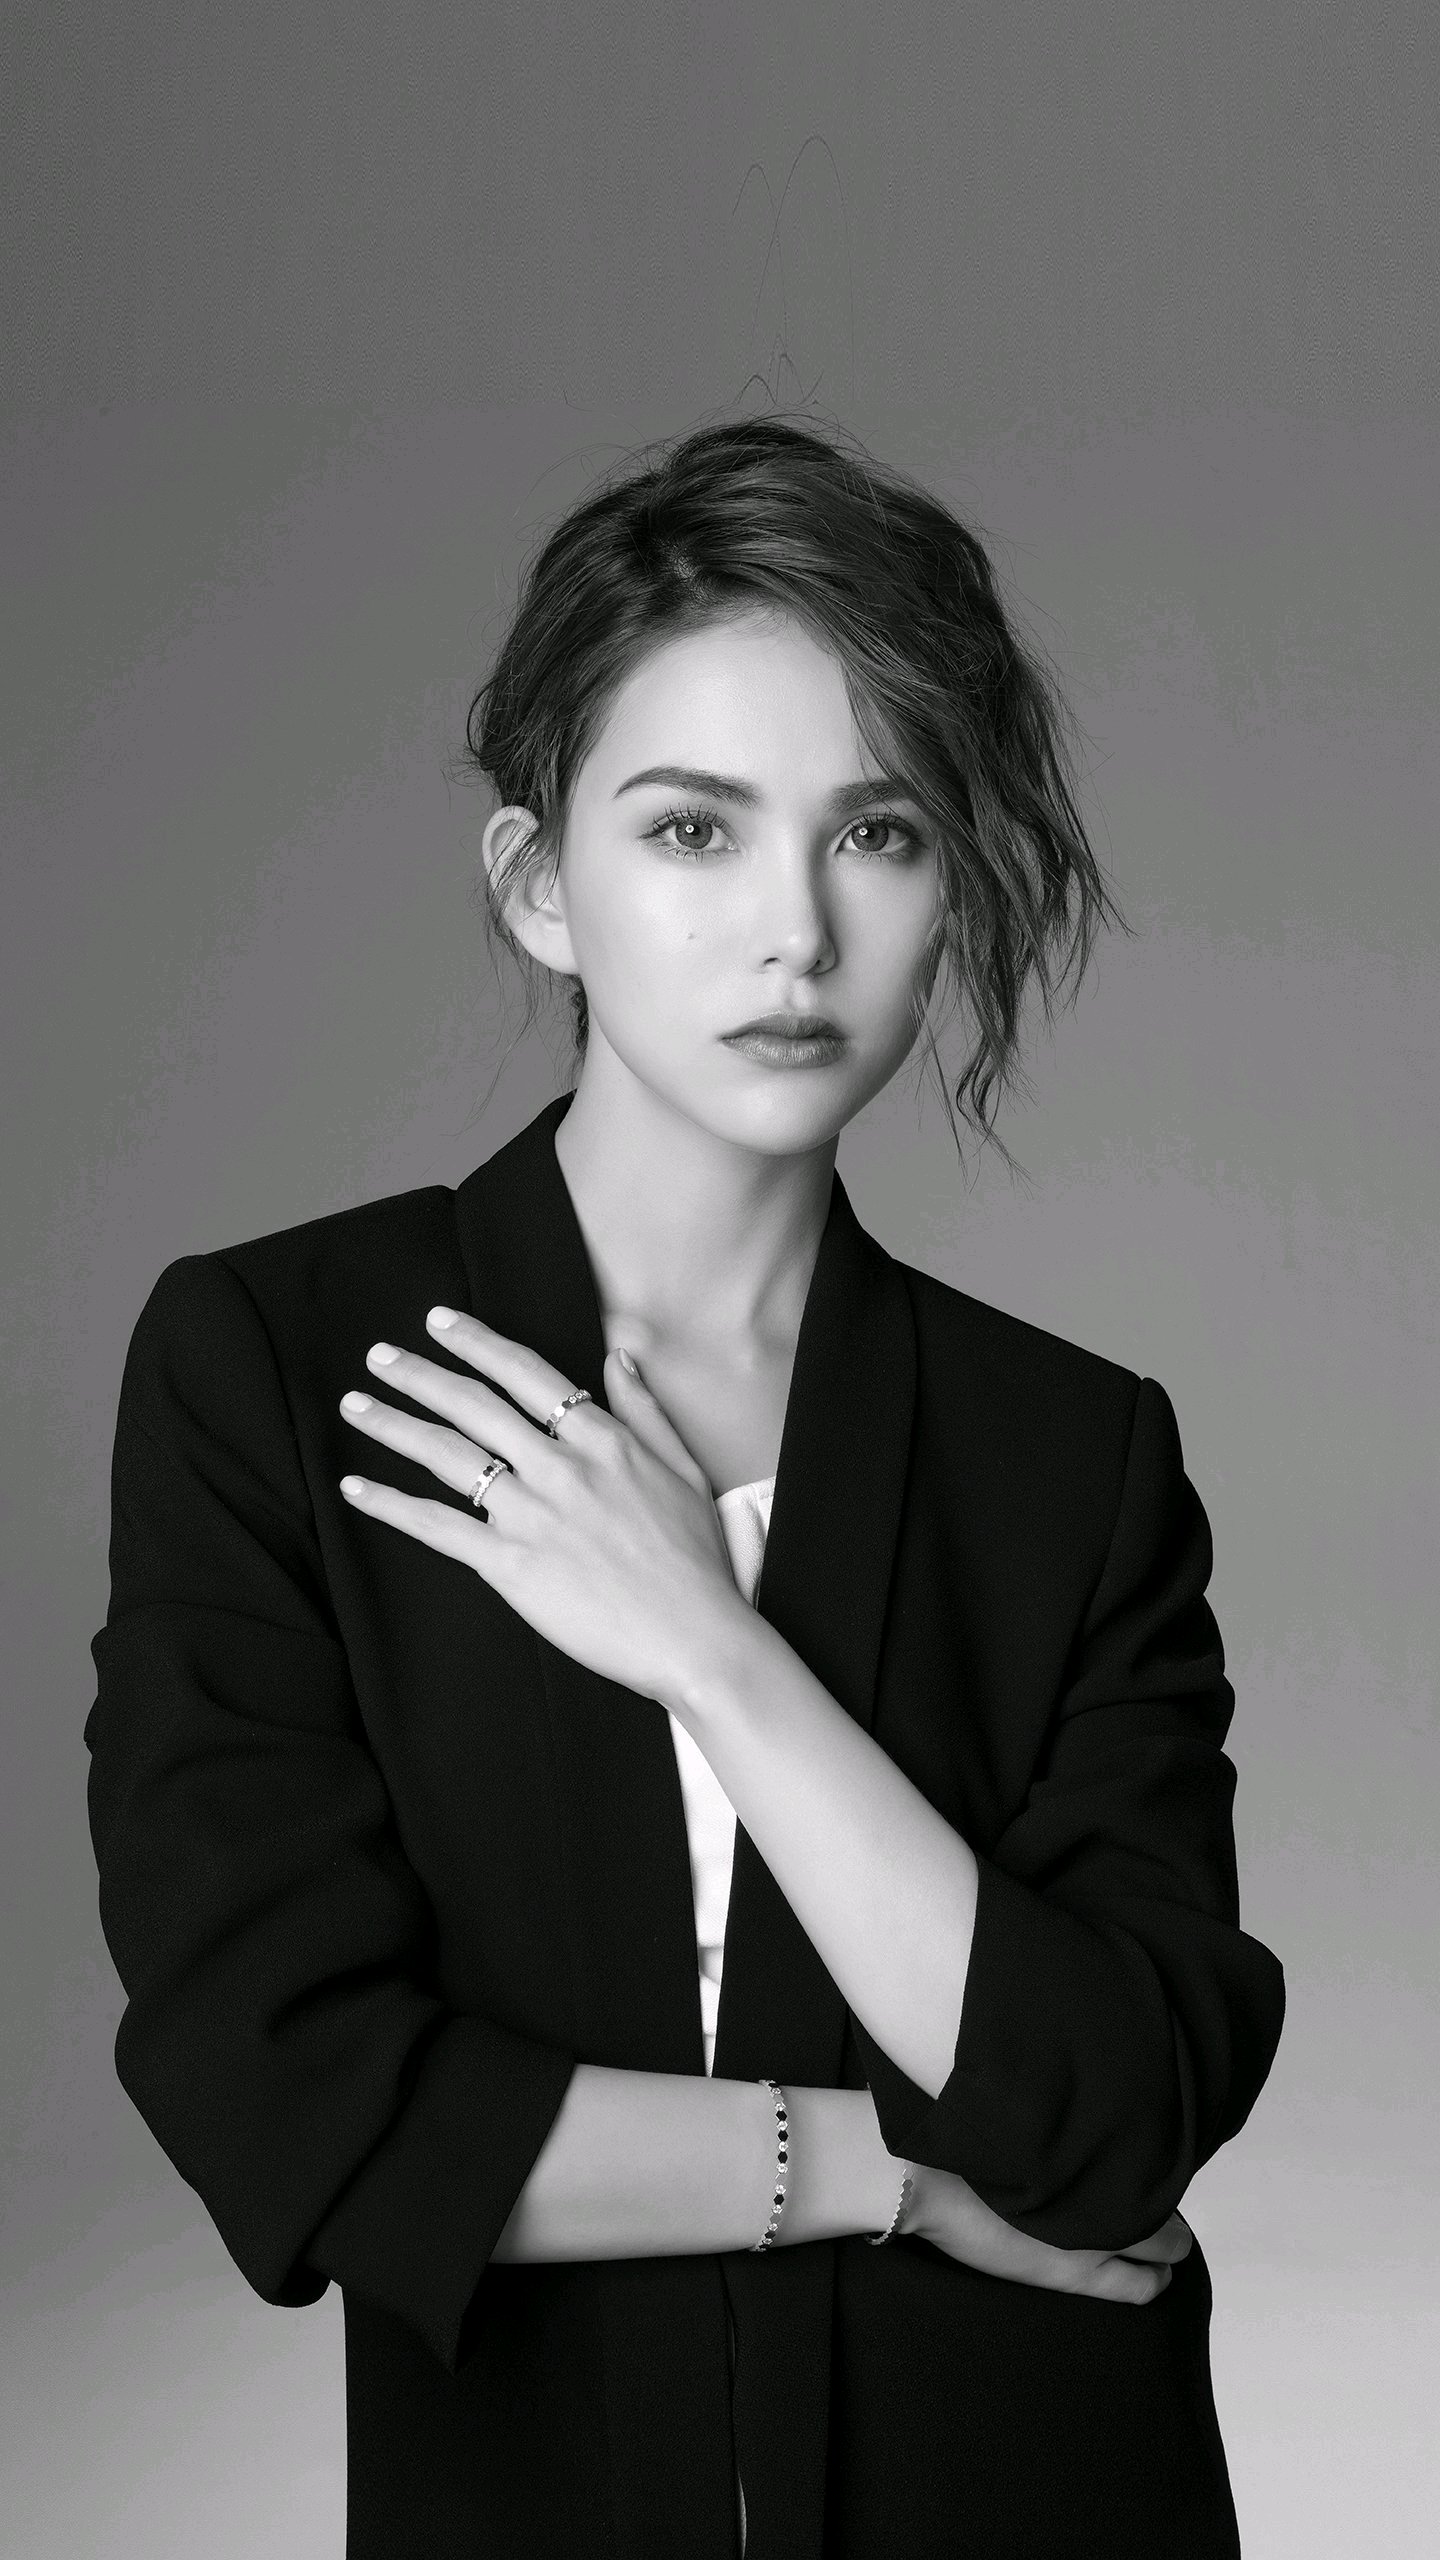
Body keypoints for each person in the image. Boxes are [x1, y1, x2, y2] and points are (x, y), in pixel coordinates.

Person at [85, 412, 1286, 2559]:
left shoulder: (1075, 1453)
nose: (794, 932)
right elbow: (292, 2103)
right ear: (540, 885)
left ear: (950, 884)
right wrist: (887, 2172)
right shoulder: (285, 1370)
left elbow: (1111, 2116)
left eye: (879, 831)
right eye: (693, 830)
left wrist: (716, 1654)